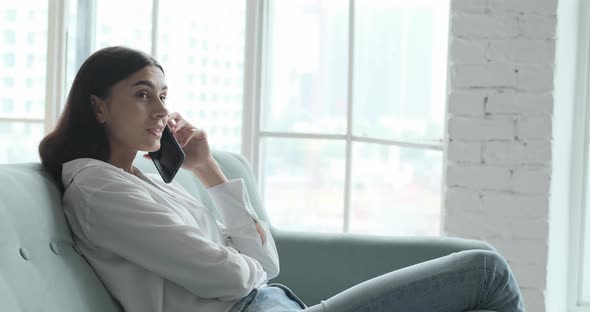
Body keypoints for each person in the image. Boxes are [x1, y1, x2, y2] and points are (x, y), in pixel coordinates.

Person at [39, 46, 525, 312]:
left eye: (164, 95)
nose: (163, 110)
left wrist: (208, 170)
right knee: (484, 270)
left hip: (272, 302)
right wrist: (241, 266)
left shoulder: (144, 178)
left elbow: (264, 260)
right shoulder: (99, 189)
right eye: (143, 95)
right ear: (98, 105)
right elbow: (232, 275)